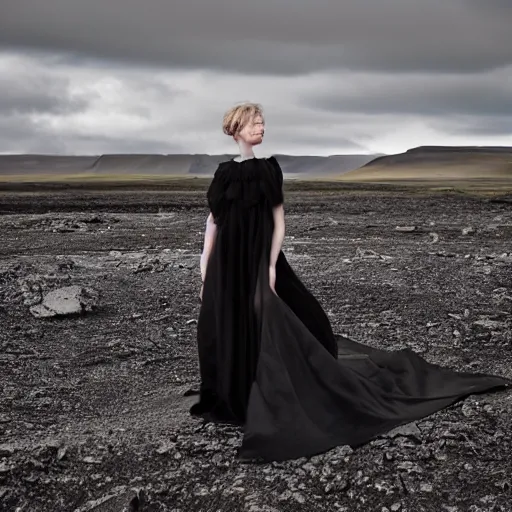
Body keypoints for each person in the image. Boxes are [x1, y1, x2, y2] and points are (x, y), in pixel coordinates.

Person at [190, 102, 510, 462]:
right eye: (254, 123)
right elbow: (213, 222)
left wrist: (271, 266)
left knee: (286, 319)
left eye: (263, 122)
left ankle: (273, 391)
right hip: (226, 263)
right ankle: (237, 395)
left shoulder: (268, 170)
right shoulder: (223, 174)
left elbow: (278, 222)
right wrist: (204, 266)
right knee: (224, 324)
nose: (261, 127)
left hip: (259, 259)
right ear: (236, 129)